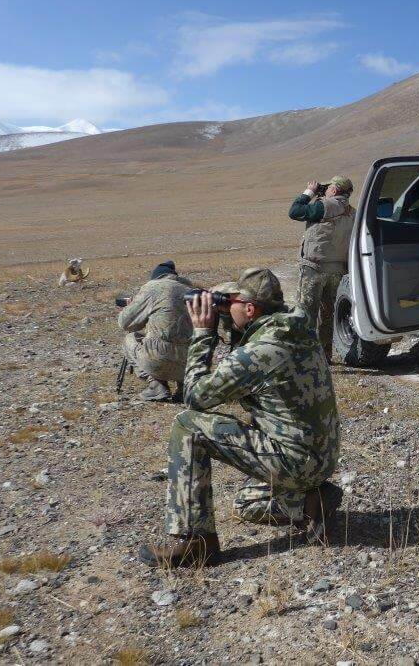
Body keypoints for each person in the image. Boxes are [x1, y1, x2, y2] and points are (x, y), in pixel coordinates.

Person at [138, 268, 343, 568]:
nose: (223, 307)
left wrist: (203, 334)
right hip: (322, 457)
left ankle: (193, 541)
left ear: (249, 308)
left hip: (298, 460)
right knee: (246, 503)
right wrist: (232, 323)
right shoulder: (295, 329)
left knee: (187, 426)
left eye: (228, 301)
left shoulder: (259, 351)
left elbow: (196, 397)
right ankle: (312, 501)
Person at [289, 175, 355, 360]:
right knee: (327, 315)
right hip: (337, 270)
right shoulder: (353, 213)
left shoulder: (324, 206)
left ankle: (303, 358)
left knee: (305, 313)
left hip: (314, 268)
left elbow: (295, 211)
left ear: (333, 190)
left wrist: (309, 192)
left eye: (329, 188)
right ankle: (324, 357)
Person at [118, 260, 193, 401]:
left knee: (129, 339)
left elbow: (125, 323)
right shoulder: (190, 290)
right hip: (189, 364)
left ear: (156, 277)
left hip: (158, 360)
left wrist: (131, 308)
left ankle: (156, 385)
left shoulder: (152, 288)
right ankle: (184, 388)